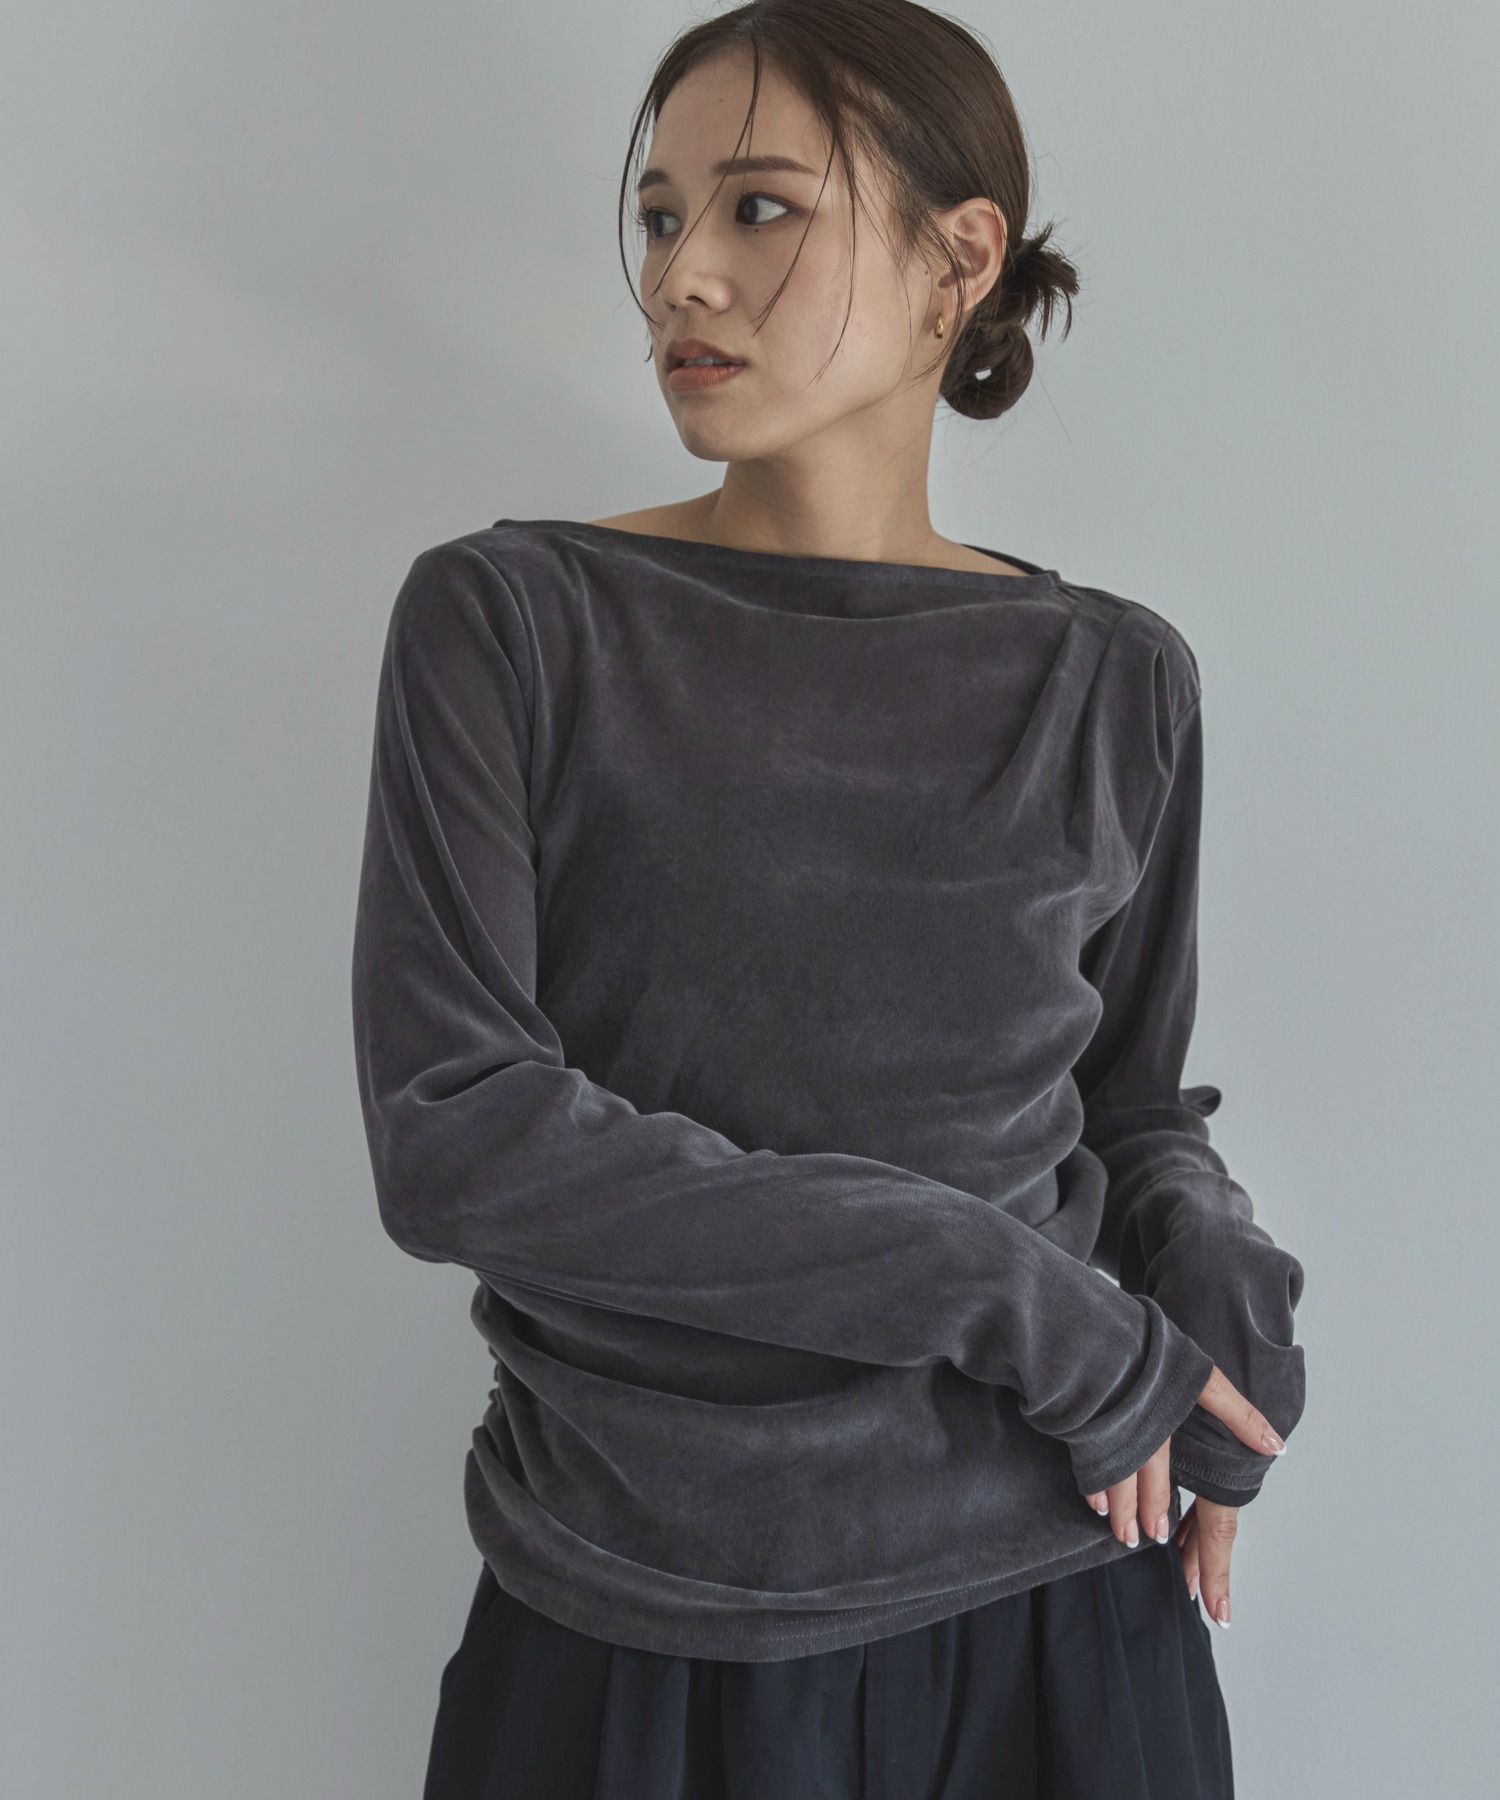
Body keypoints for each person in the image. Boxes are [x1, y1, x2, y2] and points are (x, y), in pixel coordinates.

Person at [349, 2, 1307, 1794]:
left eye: (761, 207)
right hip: (630, 1614)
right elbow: (458, 1136)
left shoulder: (1114, 679)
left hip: (1058, 1609)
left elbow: (1131, 1109)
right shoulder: (513, 623)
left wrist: (1220, 1302)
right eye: (658, 216)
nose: (681, 276)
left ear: (961, 261)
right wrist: (1021, 1299)